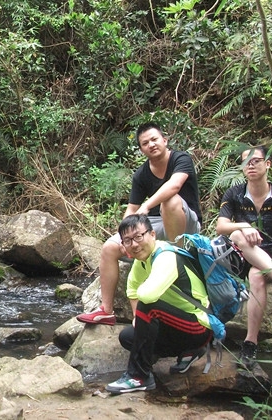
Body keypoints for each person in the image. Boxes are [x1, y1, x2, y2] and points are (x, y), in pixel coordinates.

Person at [77, 122, 202, 326]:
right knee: (109, 247)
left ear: (164, 140)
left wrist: (147, 205)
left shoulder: (181, 159)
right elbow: (130, 211)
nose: (151, 144)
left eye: (154, 139)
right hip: (154, 227)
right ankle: (106, 310)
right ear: (142, 149)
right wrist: (124, 239)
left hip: (186, 224)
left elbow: (174, 185)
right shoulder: (141, 174)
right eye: (145, 143)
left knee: (169, 201)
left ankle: (176, 259)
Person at [216, 145, 272, 369]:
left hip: (267, 257)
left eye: (255, 160)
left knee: (257, 277)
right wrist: (245, 225)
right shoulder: (234, 193)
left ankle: (250, 343)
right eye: (246, 162)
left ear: (267, 164)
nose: (251, 165)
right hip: (239, 256)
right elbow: (221, 227)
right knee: (237, 234)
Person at [105, 214, 212, 394]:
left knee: (148, 306)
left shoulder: (166, 256)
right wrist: (137, 319)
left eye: (138, 237)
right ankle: (190, 351)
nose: (134, 244)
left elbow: (147, 295)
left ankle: (139, 376)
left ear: (152, 234)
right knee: (128, 336)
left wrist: (141, 315)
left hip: (199, 325)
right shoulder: (142, 261)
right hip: (178, 325)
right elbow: (132, 289)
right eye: (128, 241)